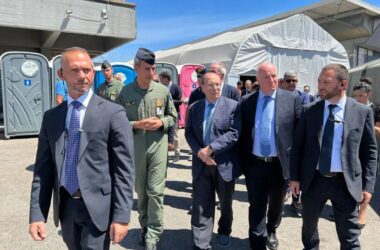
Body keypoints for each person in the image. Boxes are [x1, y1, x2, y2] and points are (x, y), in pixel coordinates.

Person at [28, 47, 135, 249]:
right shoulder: (51, 118)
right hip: (66, 207)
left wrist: (121, 216)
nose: (82, 76)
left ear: (93, 73)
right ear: (61, 74)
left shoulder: (113, 113)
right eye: (75, 70)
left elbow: (124, 170)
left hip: (98, 208)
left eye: (87, 70)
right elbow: (43, 170)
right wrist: (37, 214)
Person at [289, 64, 378, 249]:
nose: (320, 86)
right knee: (309, 229)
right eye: (319, 81)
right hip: (314, 181)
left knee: (350, 236)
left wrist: (368, 186)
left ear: (343, 84)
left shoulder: (362, 112)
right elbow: (298, 147)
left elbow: (370, 151)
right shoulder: (310, 110)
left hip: (346, 183)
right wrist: (294, 177)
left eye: (326, 82)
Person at [116, 48, 177, 250]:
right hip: (137, 149)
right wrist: (135, 125)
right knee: (141, 192)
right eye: (148, 69)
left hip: (157, 148)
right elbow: (117, 122)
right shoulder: (125, 92)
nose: (152, 73)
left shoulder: (162, 91)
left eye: (153, 69)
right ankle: (145, 225)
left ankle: (153, 233)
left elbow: (173, 117)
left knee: (156, 191)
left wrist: (161, 122)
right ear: (137, 68)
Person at [240, 62, 302, 250]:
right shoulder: (247, 102)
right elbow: (242, 134)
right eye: (267, 77)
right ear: (258, 79)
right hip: (255, 164)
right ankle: (257, 240)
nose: (273, 80)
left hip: (279, 165)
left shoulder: (291, 100)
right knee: (256, 205)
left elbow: (299, 136)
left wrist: (295, 172)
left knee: (276, 204)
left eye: (274, 75)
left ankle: (272, 228)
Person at [185, 71, 241, 249]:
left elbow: (234, 133)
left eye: (217, 84)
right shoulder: (194, 107)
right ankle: (202, 243)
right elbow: (189, 133)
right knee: (202, 204)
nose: (215, 88)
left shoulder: (233, 106)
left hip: (223, 164)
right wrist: (199, 153)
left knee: (225, 204)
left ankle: (224, 230)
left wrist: (210, 149)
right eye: (210, 84)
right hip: (201, 165)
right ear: (202, 87)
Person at [352, 80, 380, 229]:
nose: (358, 98)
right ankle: (351, 209)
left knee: (366, 181)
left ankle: (362, 213)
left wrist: (370, 126)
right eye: (355, 95)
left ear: (369, 94)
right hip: (355, 149)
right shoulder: (351, 108)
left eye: (361, 95)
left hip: (370, 149)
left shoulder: (375, 110)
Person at [159, 71, 182, 162]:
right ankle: (164, 155)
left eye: (161, 79)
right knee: (164, 135)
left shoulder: (176, 87)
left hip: (174, 114)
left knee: (175, 135)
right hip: (163, 115)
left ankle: (177, 154)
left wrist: (169, 102)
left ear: (166, 78)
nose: (160, 81)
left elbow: (180, 101)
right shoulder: (161, 88)